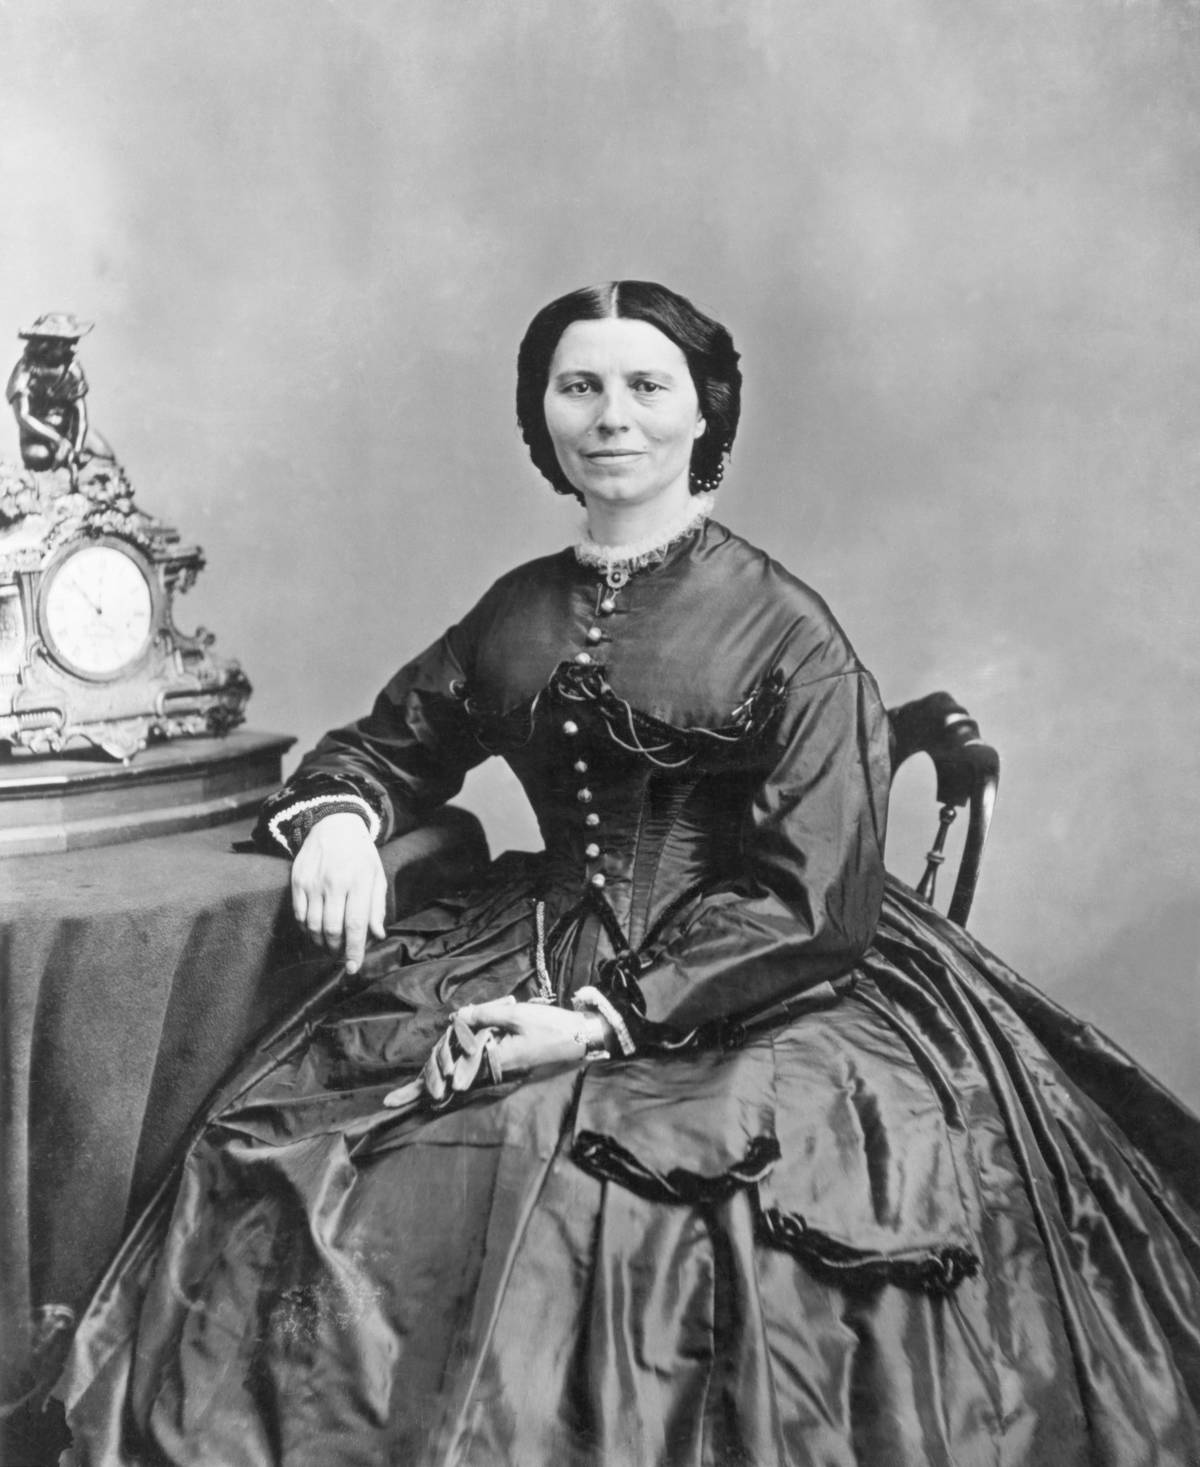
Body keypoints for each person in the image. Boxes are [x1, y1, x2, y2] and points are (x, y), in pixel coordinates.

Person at [54, 282, 1200, 1466]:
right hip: (534, 931)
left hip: (756, 977)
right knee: (326, 1152)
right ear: (541, 414)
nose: (613, 417)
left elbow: (809, 900)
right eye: (579, 386)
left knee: (595, 1200)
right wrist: (344, 820)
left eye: (647, 387)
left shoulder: (787, 628)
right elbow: (387, 743)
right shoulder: (519, 608)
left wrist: (600, 1023)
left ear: (704, 413)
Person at [6, 314, 116, 479]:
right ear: (47, 345)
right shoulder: (25, 370)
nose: (72, 347)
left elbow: (80, 414)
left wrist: (76, 448)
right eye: (66, 343)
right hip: (37, 435)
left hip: (69, 431)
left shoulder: (72, 368)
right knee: (40, 457)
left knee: (103, 453)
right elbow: (23, 416)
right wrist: (58, 441)